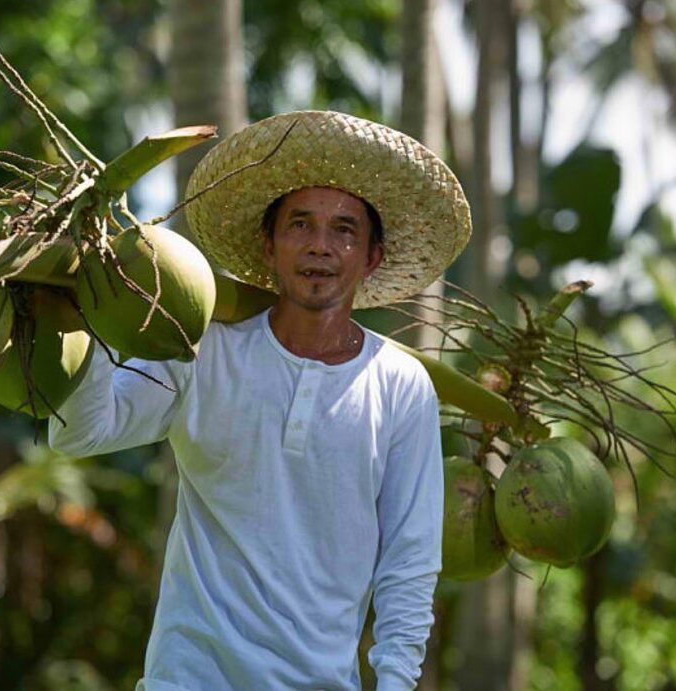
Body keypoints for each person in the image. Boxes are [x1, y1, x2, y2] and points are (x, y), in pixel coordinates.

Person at [48, 110, 472, 691]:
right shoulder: (202, 352)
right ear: (268, 246)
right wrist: (83, 312)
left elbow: (409, 563)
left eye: (345, 230)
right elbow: (79, 433)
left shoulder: (400, 385)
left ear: (370, 257)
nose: (320, 246)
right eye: (300, 224)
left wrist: (396, 683)